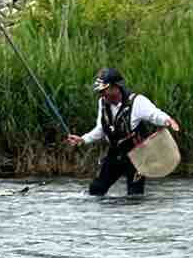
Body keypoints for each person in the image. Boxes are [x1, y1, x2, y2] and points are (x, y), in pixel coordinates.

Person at [66, 68, 180, 197]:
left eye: (104, 90)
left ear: (116, 87)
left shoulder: (137, 101)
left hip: (137, 156)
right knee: (96, 190)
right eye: (100, 91)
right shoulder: (102, 102)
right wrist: (83, 139)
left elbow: (154, 114)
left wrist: (168, 120)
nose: (101, 94)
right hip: (115, 153)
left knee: (134, 196)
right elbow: (101, 128)